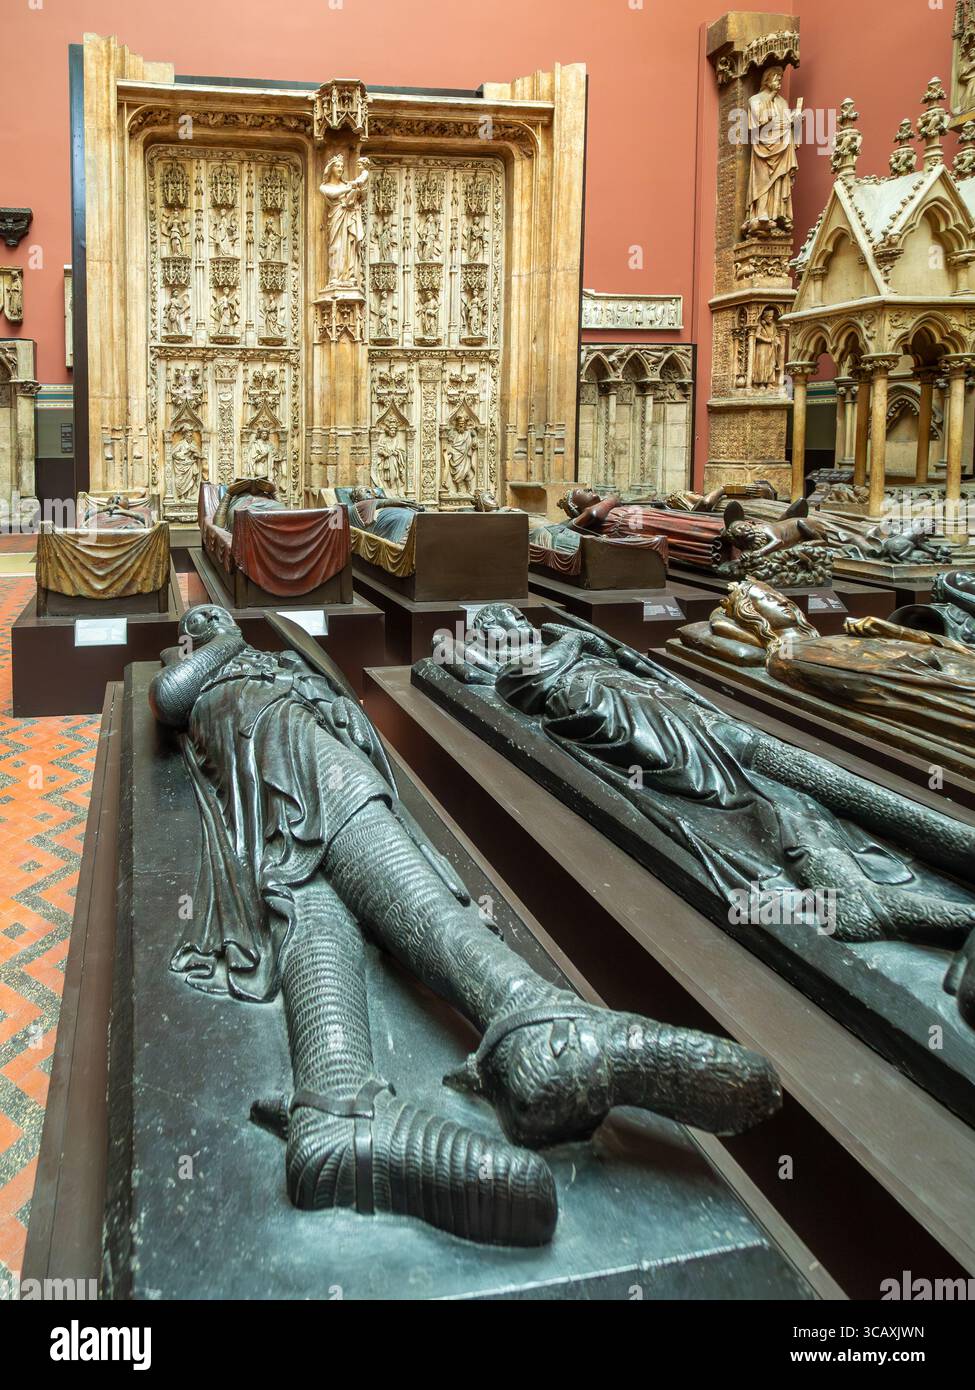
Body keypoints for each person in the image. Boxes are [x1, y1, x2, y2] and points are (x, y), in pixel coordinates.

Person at [149, 605, 782, 1244]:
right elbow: (168, 698)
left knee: (309, 894)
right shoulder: (201, 665)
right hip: (276, 746)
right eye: (201, 616)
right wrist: (226, 639)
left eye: (219, 613)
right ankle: (527, 1010)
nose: (212, 616)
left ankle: (334, 1107)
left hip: (290, 757)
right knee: (364, 839)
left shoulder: (269, 661)